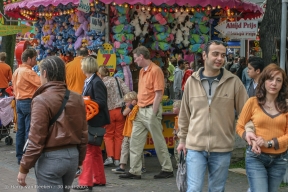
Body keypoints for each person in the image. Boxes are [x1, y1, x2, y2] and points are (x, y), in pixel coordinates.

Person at [177, 40, 248, 191]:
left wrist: (249, 133)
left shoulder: (234, 82)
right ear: (204, 55)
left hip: (222, 147)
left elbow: (246, 112)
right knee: (194, 189)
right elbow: (184, 113)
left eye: (223, 55)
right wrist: (182, 140)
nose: (220, 58)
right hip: (195, 146)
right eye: (215, 54)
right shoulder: (191, 81)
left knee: (216, 189)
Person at [17, 56, 88, 191]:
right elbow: (83, 133)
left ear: (44, 73)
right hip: (72, 156)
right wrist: (79, 160)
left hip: (51, 158)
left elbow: (36, 138)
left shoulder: (41, 100)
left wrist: (24, 167)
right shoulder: (77, 98)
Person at [119, 46, 173, 180]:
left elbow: (159, 94)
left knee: (158, 141)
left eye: (136, 58)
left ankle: (167, 169)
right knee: (135, 141)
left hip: (150, 110)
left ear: (141, 57)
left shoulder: (155, 70)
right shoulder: (143, 71)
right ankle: (134, 171)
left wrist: (153, 113)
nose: (135, 61)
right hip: (141, 109)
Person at [236, 64, 288, 192]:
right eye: (270, 79)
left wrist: (269, 143)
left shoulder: (286, 106)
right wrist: (250, 139)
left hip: (280, 159)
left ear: (283, 84)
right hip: (256, 157)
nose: (274, 83)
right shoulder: (252, 102)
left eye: (278, 80)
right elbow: (240, 126)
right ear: (263, 81)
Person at [75, 56, 110, 190]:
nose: (81, 67)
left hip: (94, 121)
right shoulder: (90, 81)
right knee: (94, 151)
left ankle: (85, 181)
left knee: (88, 151)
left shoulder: (96, 82)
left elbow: (101, 102)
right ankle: (99, 178)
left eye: (82, 65)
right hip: (93, 120)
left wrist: (87, 103)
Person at [12, 48, 41, 165]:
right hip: (28, 102)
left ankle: (20, 157)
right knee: (29, 132)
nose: (35, 61)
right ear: (29, 59)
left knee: (20, 131)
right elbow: (41, 84)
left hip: (19, 102)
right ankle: (28, 158)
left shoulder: (17, 71)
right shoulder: (29, 72)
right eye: (34, 59)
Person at [98, 65, 130, 166]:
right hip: (120, 111)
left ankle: (109, 157)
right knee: (119, 136)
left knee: (108, 135)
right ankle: (117, 159)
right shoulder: (118, 80)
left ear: (99, 74)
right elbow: (128, 93)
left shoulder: (101, 83)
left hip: (108, 112)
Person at [111, 91, 146, 174]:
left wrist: (132, 105)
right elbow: (124, 113)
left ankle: (142, 166)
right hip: (127, 132)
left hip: (134, 133)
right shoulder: (130, 108)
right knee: (124, 150)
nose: (126, 104)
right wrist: (130, 105)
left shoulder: (136, 108)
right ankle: (122, 166)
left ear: (133, 101)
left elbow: (128, 114)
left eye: (127, 102)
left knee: (137, 150)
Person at [172, 100, 181, 168]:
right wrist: (174, 132)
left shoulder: (181, 118)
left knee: (179, 151)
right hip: (177, 136)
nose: (173, 108)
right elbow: (175, 126)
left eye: (174, 107)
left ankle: (181, 163)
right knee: (175, 150)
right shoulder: (176, 118)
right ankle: (178, 163)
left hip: (180, 137)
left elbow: (179, 127)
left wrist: (176, 133)